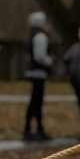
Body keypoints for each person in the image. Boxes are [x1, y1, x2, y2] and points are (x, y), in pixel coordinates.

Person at [23, 11, 53, 141]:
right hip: (38, 73)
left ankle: (33, 129)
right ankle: (34, 130)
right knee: (36, 102)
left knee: (34, 102)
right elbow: (40, 57)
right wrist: (50, 61)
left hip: (33, 72)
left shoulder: (32, 35)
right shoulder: (40, 36)